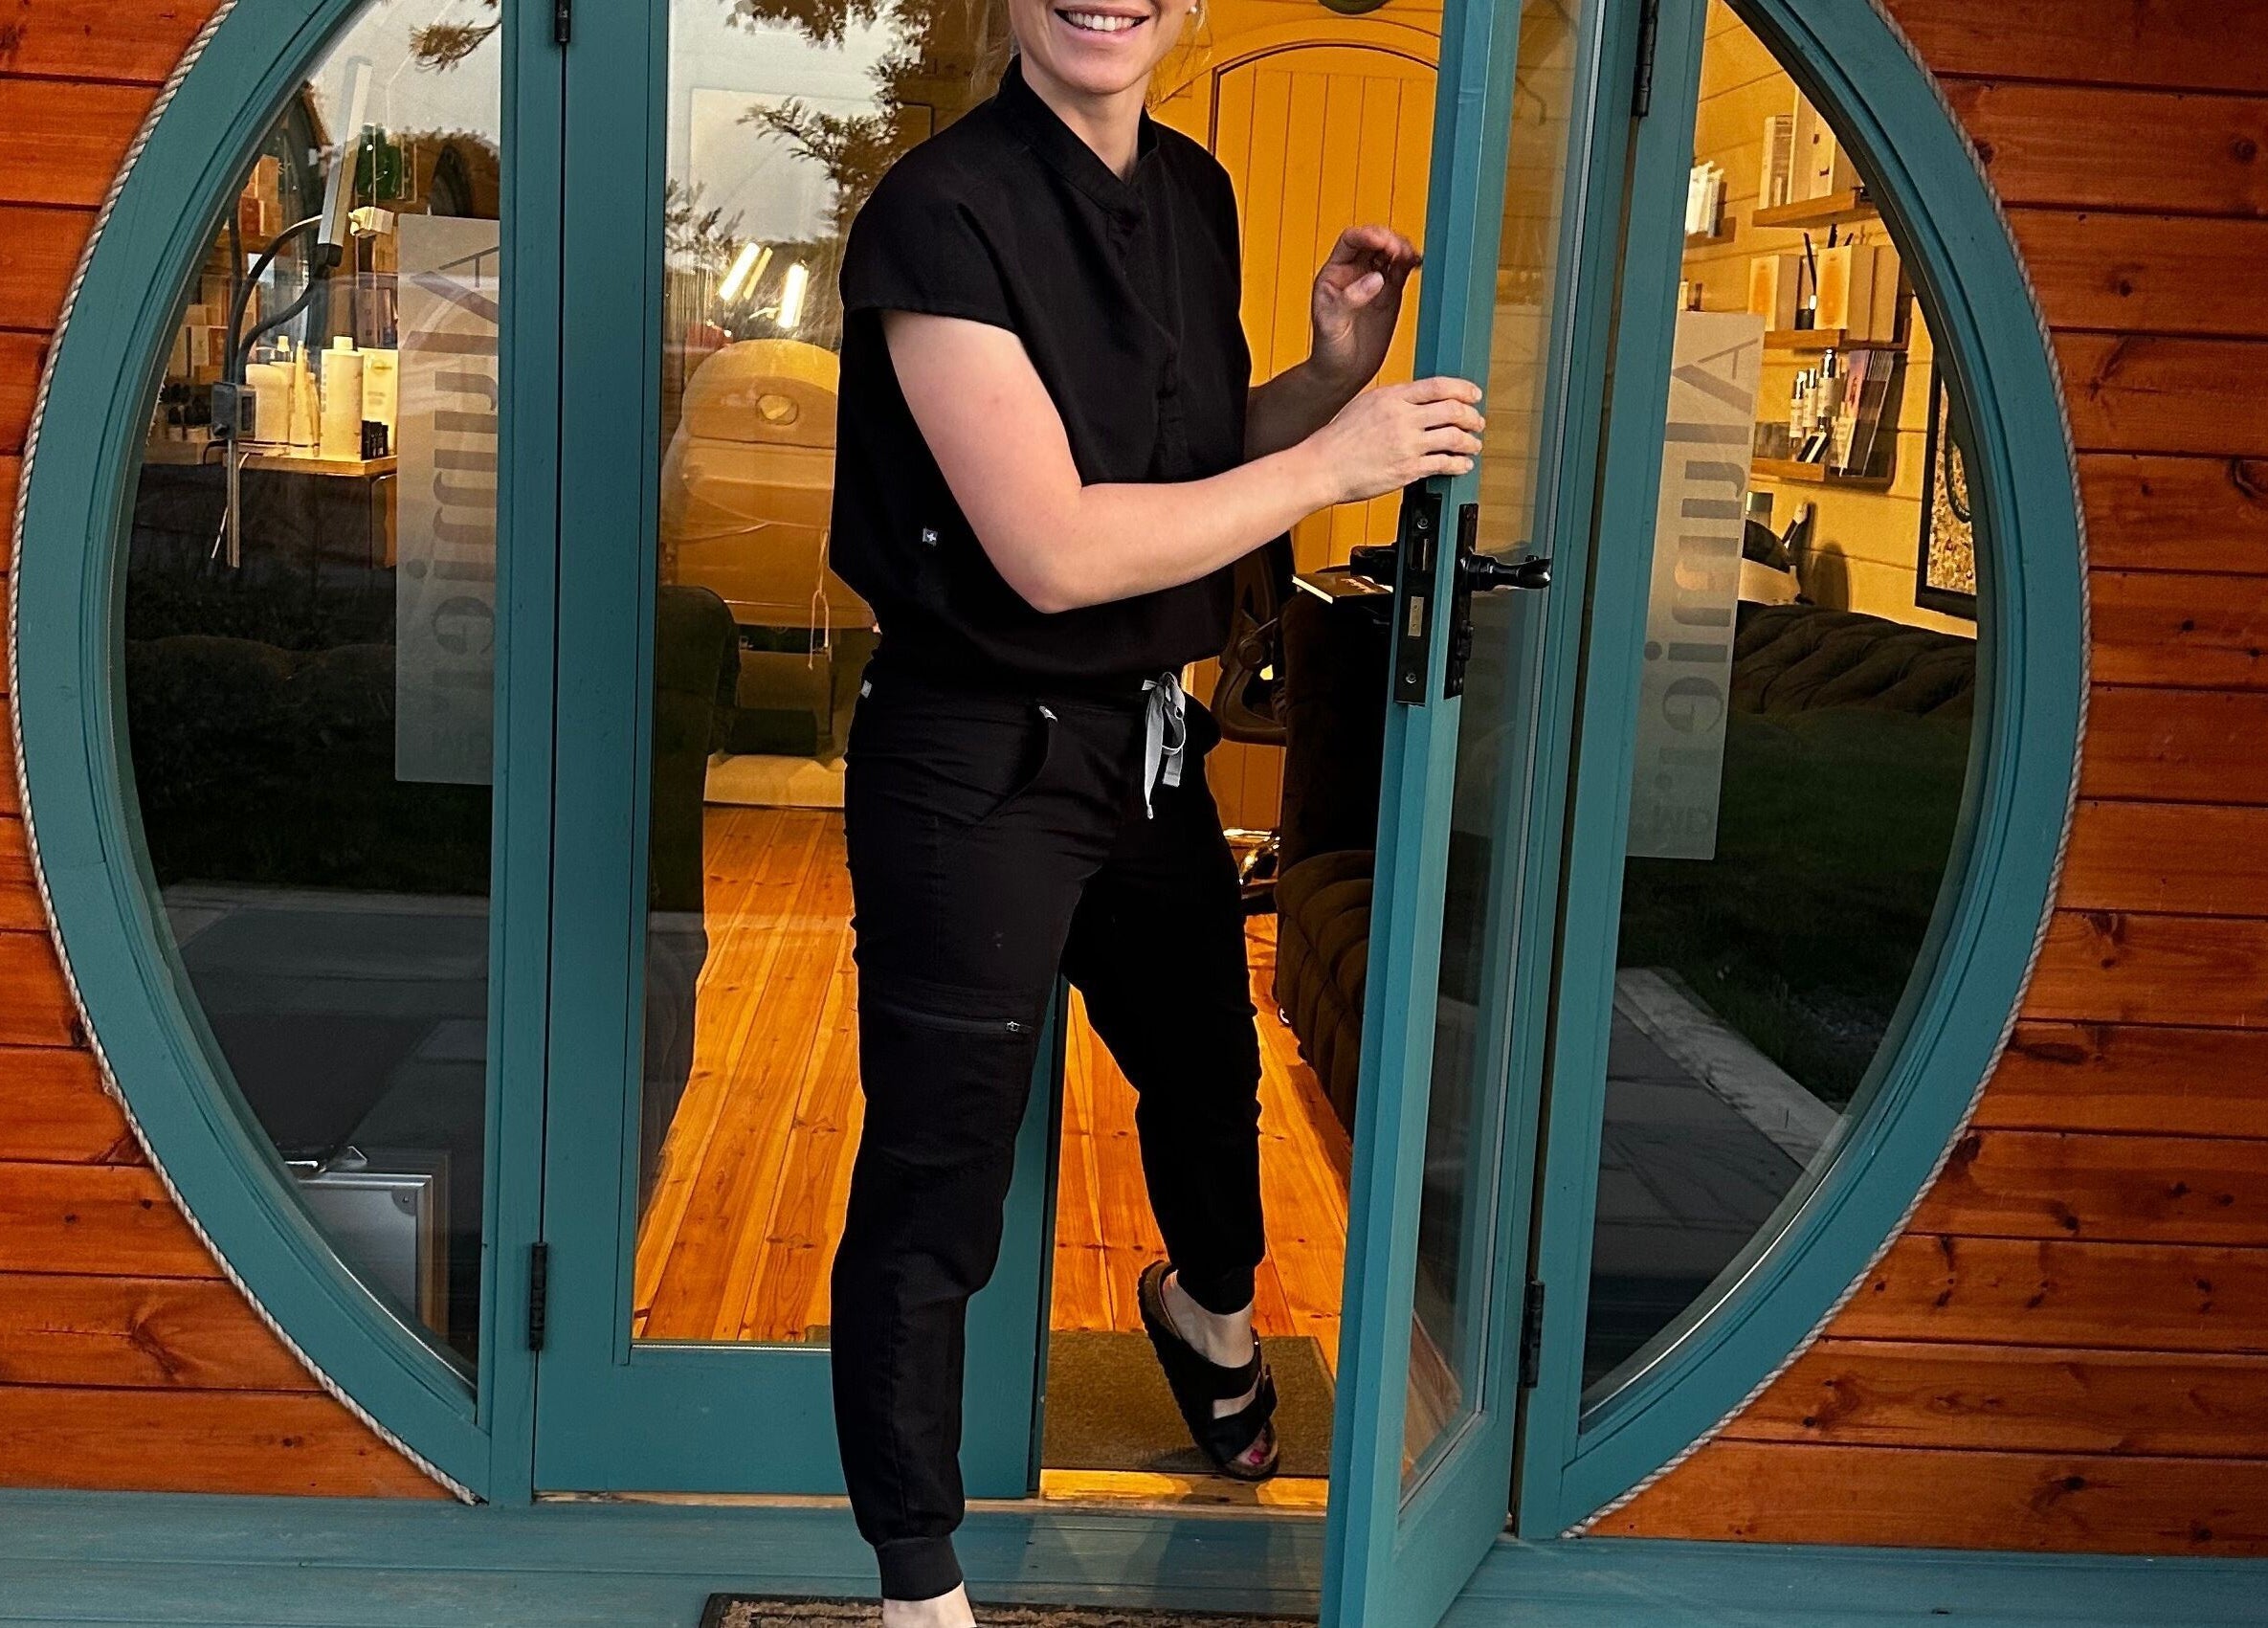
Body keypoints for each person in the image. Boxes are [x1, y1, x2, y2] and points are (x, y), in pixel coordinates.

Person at [825, 2, 1483, 1621]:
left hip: (1141, 742)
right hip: (971, 761)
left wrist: (1321, 379)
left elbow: (1176, 464)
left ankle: (1202, 1309)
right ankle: (918, 1580)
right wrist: (1343, 454)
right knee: (938, 1175)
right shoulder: (940, 212)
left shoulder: (1193, 192)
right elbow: (1053, 545)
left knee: (1204, 1073)